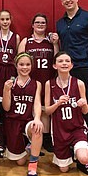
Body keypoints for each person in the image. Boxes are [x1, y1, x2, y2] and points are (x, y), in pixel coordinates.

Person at [56, 0, 88, 164]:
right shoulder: (60, 23)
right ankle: (71, 146)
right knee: (67, 108)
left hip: (83, 68)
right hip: (65, 70)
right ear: (62, 2)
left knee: (86, 108)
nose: (68, 0)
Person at [44, 51, 88, 175]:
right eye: (60, 61)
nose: (64, 63)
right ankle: (72, 151)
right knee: (63, 169)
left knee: (84, 158)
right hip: (59, 130)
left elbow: (86, 111)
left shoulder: (79, 83)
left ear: (72, 65)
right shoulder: (49, 84)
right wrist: (57, 104)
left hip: (76, 127)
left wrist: (84, 104)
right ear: (54, 66)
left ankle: (82, 160)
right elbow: (47, 111)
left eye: (67, 61)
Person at [18, 13, 59, 153]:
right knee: (31, 110)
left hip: (47, 80)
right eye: (38, 22)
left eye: (43, 23)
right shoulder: (26, 41)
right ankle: (31, 139)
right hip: (32, 81)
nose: (40, 25)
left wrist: (55, 44)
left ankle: (46, 139)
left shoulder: (50, 41)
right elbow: (19, 61)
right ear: (32, 25)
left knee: (45, 110)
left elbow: (57, 59)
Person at [2, 52, 43, 176]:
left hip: (27, 121)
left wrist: (37, 118)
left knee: (37, 128)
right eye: (21, 64)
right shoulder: (10, 83)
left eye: (27, 64)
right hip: (12, 121)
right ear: (16, 65)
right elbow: (6, 108)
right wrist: (6, 91)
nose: (24, 67)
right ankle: (28, 146)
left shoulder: (36, 84)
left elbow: (37, 103)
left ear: (31, 66)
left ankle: (33, 166)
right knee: (20, 161)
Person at [0, 9, 20, 154]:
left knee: (9, 106)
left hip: (10, 71)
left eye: (8, 19)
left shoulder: (16, 37)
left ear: (10, 21)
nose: (5, 22)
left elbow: (18, 58)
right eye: (3, 19)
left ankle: (10, 141)